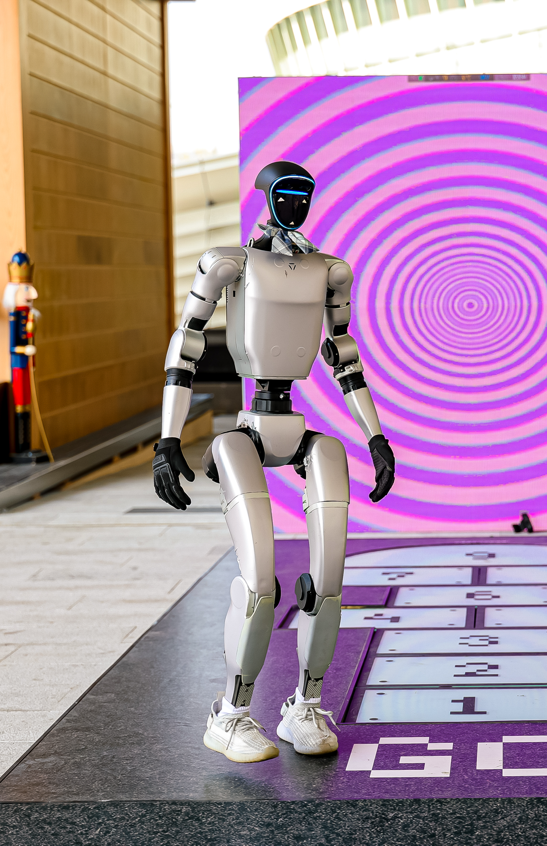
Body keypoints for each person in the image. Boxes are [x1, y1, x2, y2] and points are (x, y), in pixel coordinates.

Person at [152, 161, 396, 761]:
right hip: (246, 430)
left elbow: (344, 355)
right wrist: (167, 441)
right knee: (261, 583)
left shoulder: (328, 271)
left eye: (304, 194)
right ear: (266, 196)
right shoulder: (230, 264)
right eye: (285, 193)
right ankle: (230, 714)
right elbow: (186, 344)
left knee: (328, 580)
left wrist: (376, 437)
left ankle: (305, 705)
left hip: (298, 427)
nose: (295, 203)